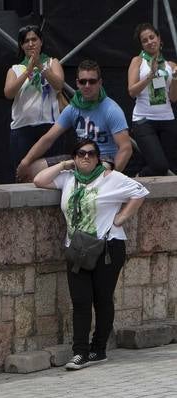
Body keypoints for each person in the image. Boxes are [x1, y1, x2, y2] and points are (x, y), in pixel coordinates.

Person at [34, 138, 148, 371]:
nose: (86, 157)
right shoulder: (68, 179)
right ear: (74, 157)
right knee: (80, 301)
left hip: (107, 246)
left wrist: (121, 218)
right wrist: (65, 165)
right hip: (77, 249)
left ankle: (99, 349)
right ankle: (80, 353)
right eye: (80, 154)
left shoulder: (111, 178)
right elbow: (39, 180)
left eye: (91, 154)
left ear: (98, 158)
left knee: (102, 299)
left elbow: (140, 192)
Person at [16, 60, 132, 181]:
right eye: (83, 81)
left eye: (92, 81)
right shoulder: (73, 108)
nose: (87, 85)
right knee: (32, 169)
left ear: (100, 83)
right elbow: (48, 138)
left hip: (103, 159)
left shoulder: (111, 109)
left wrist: (112, 178)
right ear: (77, 83)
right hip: (79, 158)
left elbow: (126, 148)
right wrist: (25, 162)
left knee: (92, 171)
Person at [5, 25, 64, 184]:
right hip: (22, 129)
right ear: (21, 45)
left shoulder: (52, 62)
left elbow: (59, 85)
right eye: (26, 41)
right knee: (23, 175)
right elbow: (9, 93)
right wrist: (27, 70)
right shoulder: (15, 69)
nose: (30, 44)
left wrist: (40, 66)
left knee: (51, 175)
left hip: (49, 127)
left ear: (41, 41)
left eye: (34, 39)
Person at [128, 23, 177, 176]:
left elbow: (173, 98)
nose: (149, 42)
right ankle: (138, 178)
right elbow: (132, 91)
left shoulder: (170, 65)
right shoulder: (138, 61)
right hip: (144, 120)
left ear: (159, 39)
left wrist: (175, 78)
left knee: (171, 165)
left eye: (152, 37)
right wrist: (151, 75)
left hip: (167, 118)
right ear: (142, 45)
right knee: (159, 166)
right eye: (145, 40)